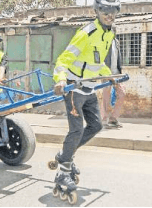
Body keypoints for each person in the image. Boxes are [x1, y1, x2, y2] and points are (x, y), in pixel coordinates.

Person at [52, 0, 121, 190]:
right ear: (97, 11)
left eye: (113, 11)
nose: (110, 15)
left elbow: (97, 62)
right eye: (105, 11)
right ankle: (63, 172)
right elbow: (63, 58)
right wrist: (60, 78)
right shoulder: (86, 32)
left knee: (96, 125)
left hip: (89, 88)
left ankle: (65, 154)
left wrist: (110, 75)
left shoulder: (108, 34)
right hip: (74, 88)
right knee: (76, 130)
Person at [101, 38, 125, 128]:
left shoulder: (116, 41)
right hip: (106, 73)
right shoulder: (103, 41)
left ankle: (113, 118)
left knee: (122, 93)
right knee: (106, 96)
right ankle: (104, 119)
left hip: (117, 73)